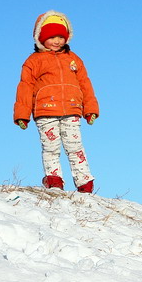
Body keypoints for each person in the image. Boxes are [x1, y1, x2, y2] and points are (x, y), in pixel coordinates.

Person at [13, 10, 99, 193]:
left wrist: (90, 109)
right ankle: (54, 181)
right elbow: (25, 86)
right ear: (40, 38)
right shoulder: (34, 61)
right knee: (51, 148)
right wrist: (22, 114)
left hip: (72, 109)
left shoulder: (74, 60)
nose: (57, 41)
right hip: (45, 112)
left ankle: (85, 182)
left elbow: (85, 84)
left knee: (75, 147)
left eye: (61, 36)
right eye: (51, 37)